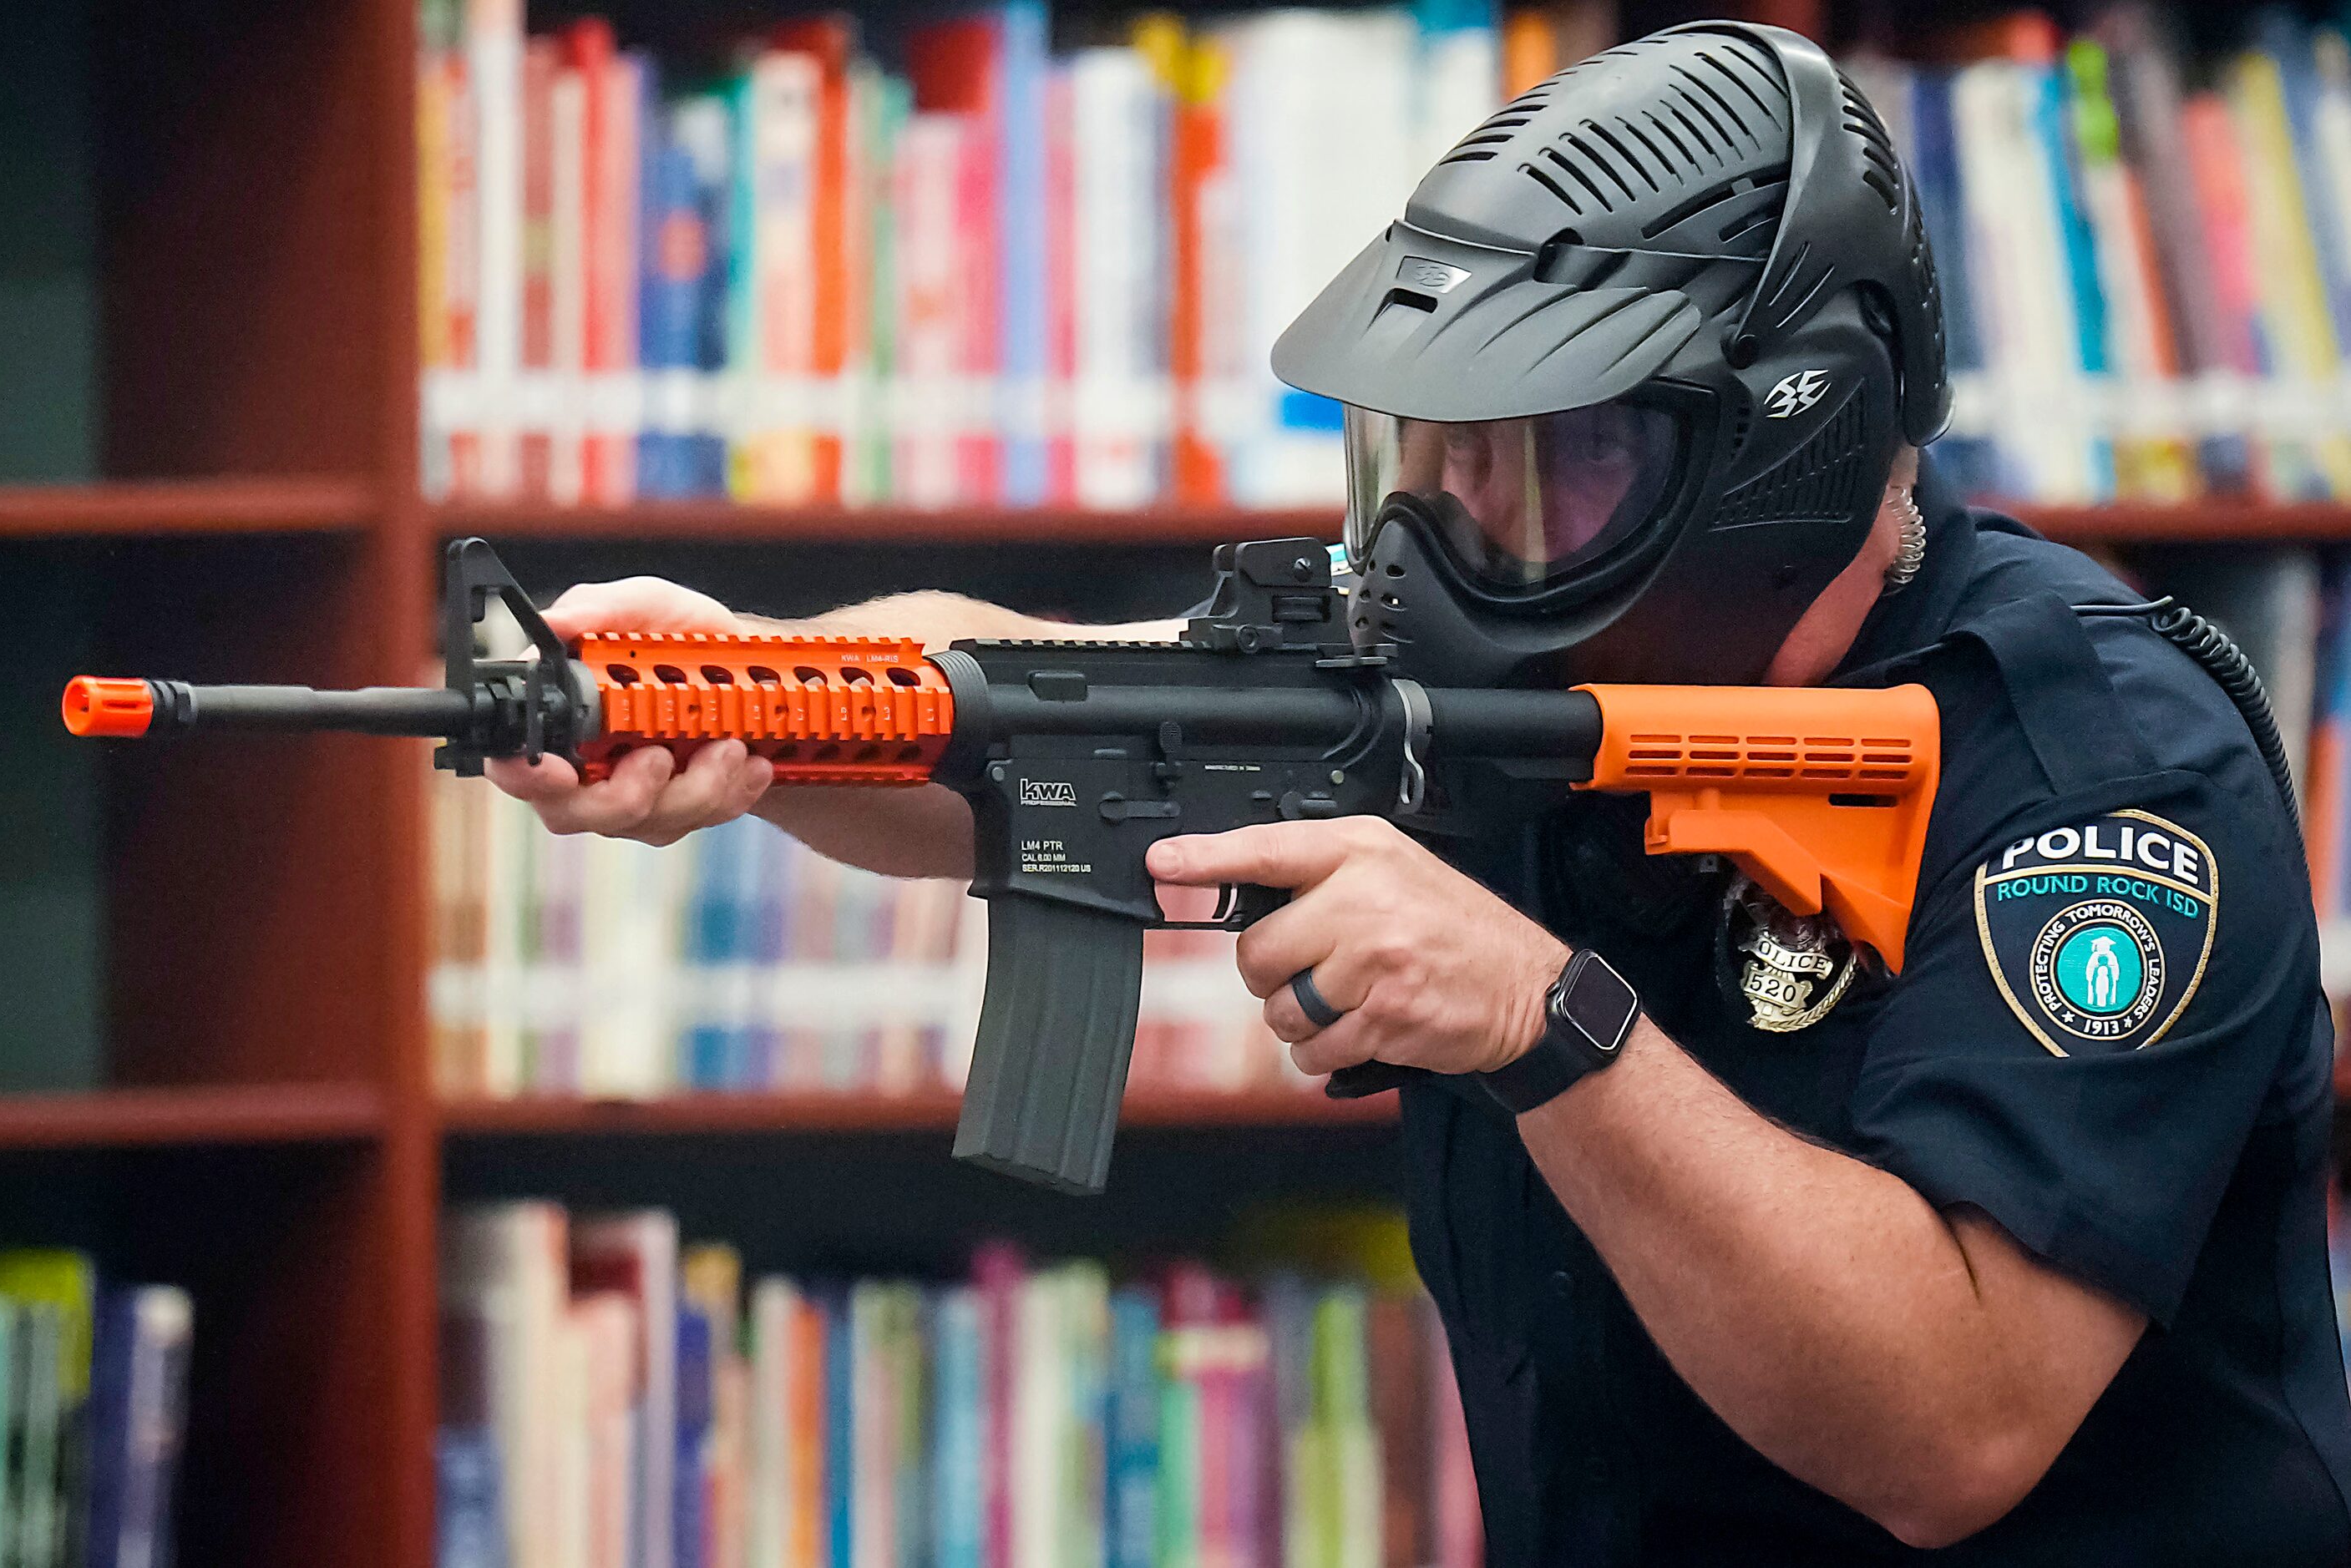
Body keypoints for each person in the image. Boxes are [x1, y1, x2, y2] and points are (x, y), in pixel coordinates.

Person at [492, 21, 2351, 1563]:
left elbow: (1955, 1424)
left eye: (1547, 465)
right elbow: (1040, 707)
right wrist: (746, 686)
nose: (1449, 538)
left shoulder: (2096, 763)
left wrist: (1547, 1025)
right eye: (1423, 454)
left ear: (1787, 436)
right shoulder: (1514, 671)